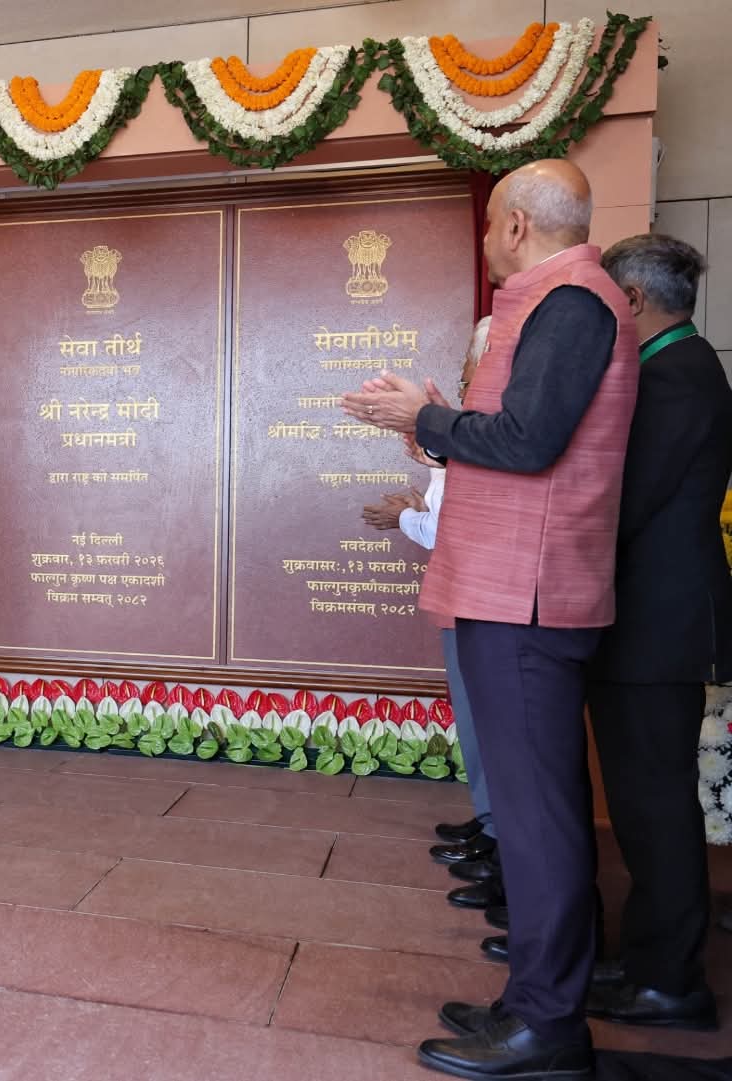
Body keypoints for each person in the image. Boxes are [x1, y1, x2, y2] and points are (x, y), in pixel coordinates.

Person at [343, 159, 638, 1080]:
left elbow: (528, 440)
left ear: (515, 225)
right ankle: (532, 1001)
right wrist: (432, 422)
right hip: (514, 587)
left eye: (487, 223)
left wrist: (429, 418)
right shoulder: (562, 302)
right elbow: (519, 438)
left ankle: (548, 1027)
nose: (484, 240)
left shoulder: (572, 304)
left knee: (538, 815)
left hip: (528, 594)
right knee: (529, 805)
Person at [582, 234, 732, 1030]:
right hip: (649, 623)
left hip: (656, 627)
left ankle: (670, 980)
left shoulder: (677, 376)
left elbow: (625, 498)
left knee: (655, 805)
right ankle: (648, 960)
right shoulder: (678, 368)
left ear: (632, 301)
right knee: (646, 802)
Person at [362, 319, 504, 921]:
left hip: (482, 598)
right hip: (462, 594)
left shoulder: (496, 430)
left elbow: (454, 526)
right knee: (477, 724)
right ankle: (492, 825)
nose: (468, 381)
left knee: (490, 727)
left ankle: (499, 838)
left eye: (474, 369)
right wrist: (436, 472)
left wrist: (406, 518)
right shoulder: (470, 432)